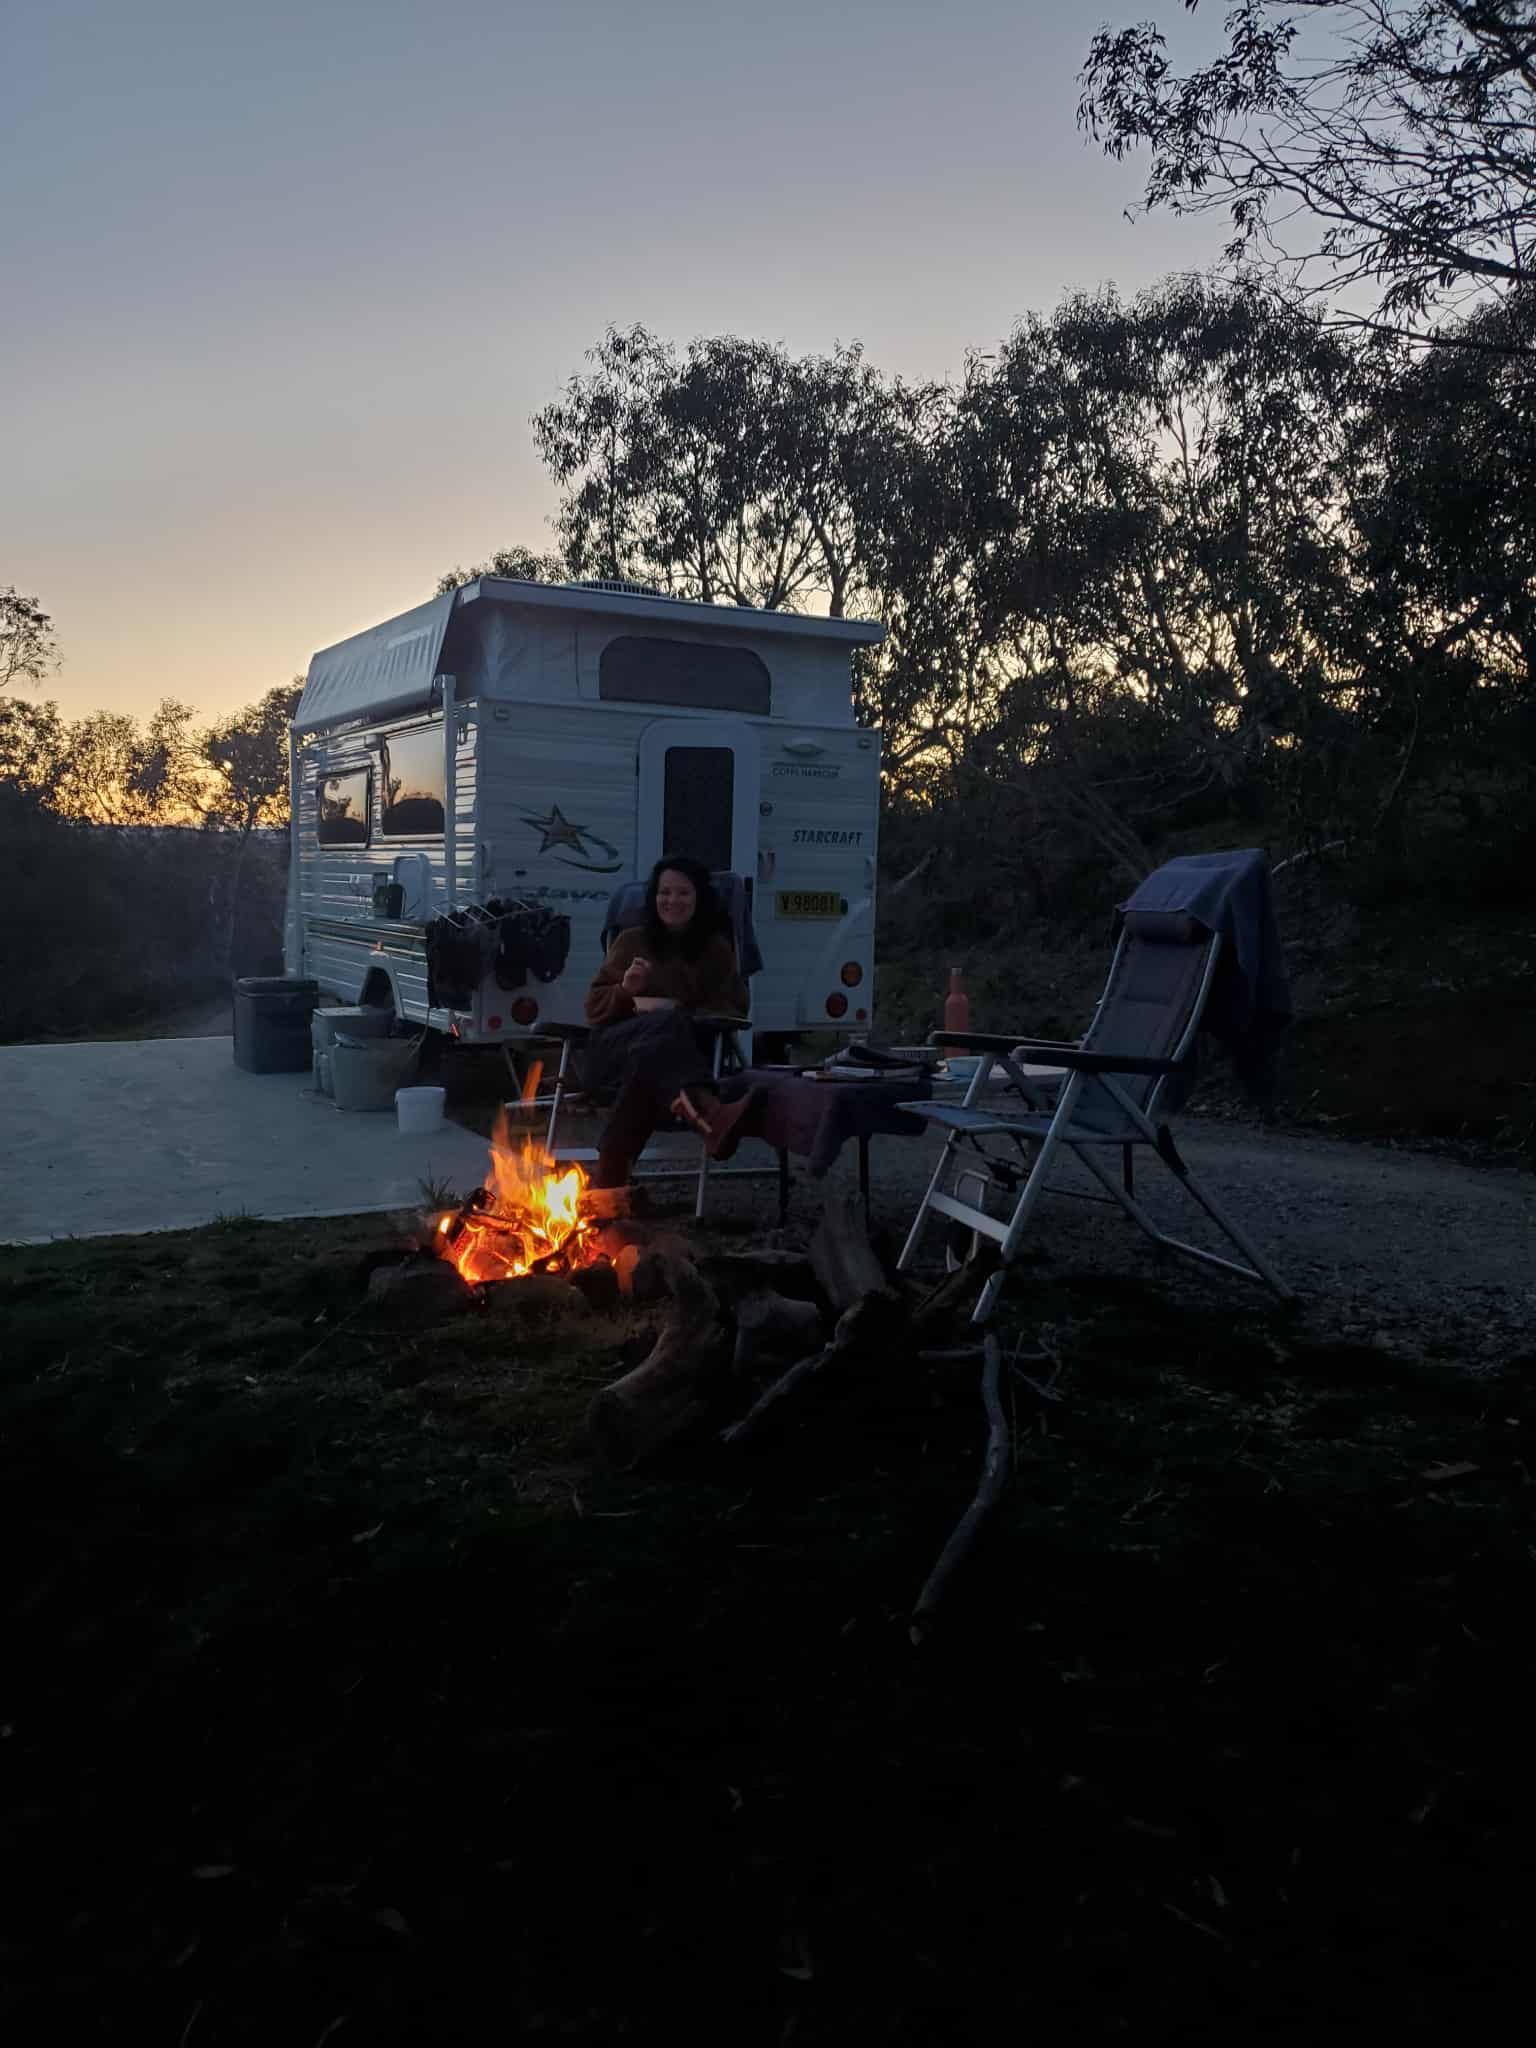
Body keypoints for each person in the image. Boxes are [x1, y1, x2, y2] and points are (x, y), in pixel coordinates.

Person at [582, 855, 750, 1188]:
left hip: (662, 1064)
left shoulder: (716, 951)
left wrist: (689, 1005)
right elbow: (593, 1008)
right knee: (664, 1028)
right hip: (612, 1053)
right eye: (664, 892)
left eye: (683, 893)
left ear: (699, 898)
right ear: (653, 896)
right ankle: (706, 1108)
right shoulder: (631, 941)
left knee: (653, 1057)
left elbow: (736, 1007)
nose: (672, 901)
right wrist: (625, 990)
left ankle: (608, 1181)